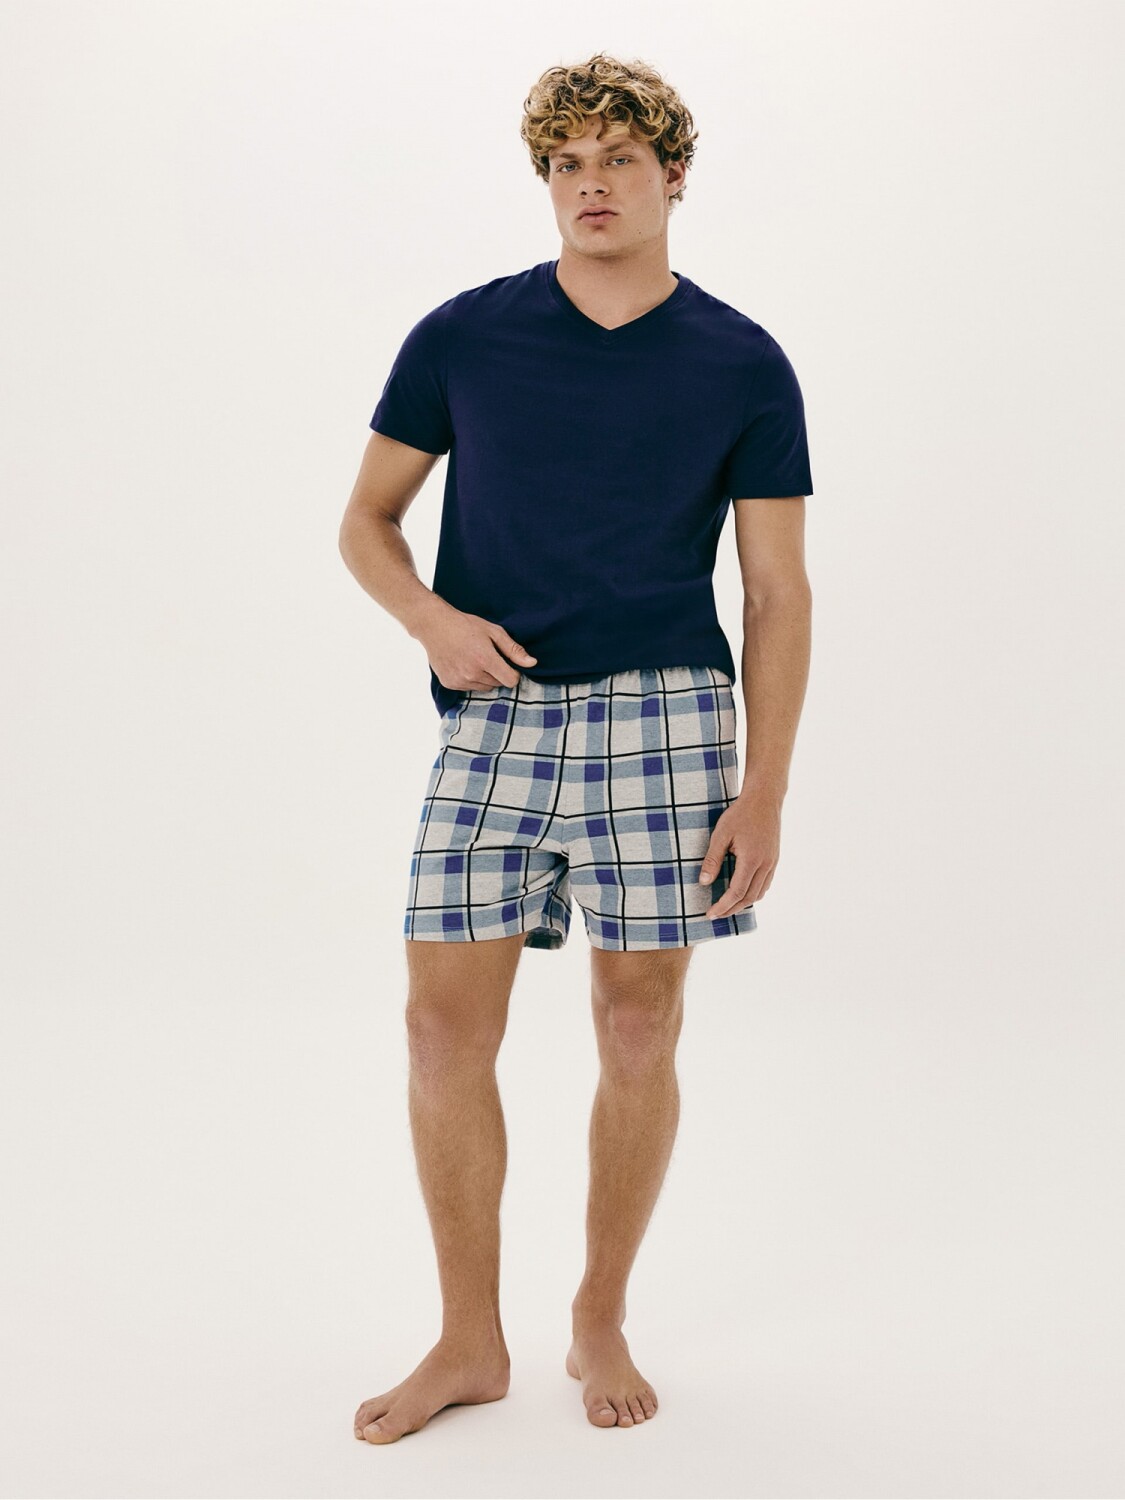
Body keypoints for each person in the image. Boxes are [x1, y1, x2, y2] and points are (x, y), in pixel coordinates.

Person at [339, 51, 814, 1443]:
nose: (589, 185)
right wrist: (430, 620)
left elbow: (777, 592)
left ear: (674, 176)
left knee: (636, 1021)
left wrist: (765, 789)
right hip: (497, 711)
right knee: (438, 1024)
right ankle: (467, 1339)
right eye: (566, 164)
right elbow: (365, 520)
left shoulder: (742, 360)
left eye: (617, 160)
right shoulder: (462, 337)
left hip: (669, 717)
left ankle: (598, 1312)